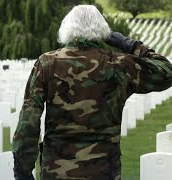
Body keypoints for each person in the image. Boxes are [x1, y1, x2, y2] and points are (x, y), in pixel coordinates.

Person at [12, 5, 172, 180]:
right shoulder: (119, 64)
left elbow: (28, 121)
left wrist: (23, 171)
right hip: (104, 171)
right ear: (103, 32)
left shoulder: (46, 64)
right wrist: (130, 45)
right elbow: (166, 72)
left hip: (56, 170)